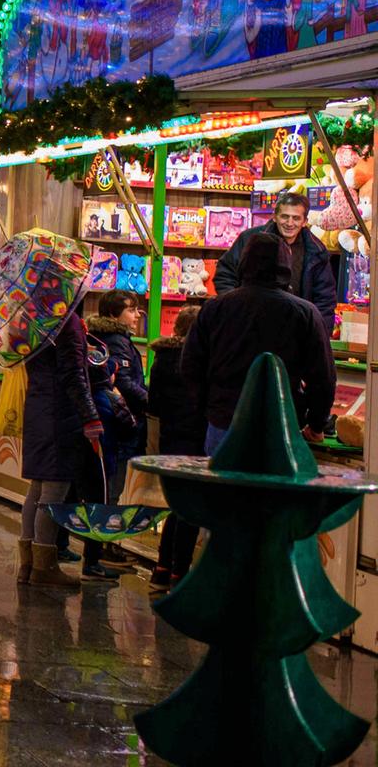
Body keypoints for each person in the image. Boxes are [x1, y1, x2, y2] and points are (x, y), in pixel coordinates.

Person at [183, 231, 336, 455]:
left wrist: (209, 408)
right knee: (272, 490)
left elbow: (190, 365)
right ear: (286, 266)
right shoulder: (305, 312)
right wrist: (316, 424)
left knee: (224, 489)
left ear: (243, 263)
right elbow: (323, 378)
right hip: (281, 424)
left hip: (224, 422)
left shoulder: (216, 308)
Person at [17, 310, 101, 587]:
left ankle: (27, 565)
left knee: (37, 487)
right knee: (54, 490)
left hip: (38, 407)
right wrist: (90, 416)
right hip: (60, 413)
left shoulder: (31, 317)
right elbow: (74, 374)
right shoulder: (66, 322)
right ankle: (44, 566)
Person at [80, 290, 148, 581]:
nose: (137, 316)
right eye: (131, 310)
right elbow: (125, 381)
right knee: (110, 486)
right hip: (118, 421)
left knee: (102, 486)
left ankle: (98, 547)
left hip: (109, 420)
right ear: (113, 314)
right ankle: (100, 549)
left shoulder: (100, 338)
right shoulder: (117, 341)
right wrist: (150, 401)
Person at [147, 304, 205, 592]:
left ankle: (162, 568)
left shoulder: (161, 358)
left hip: (170, 439)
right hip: (195, 439)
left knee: (176, 507)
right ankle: (178, 572)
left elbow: (153, 403)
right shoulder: (199, 360)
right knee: (189, 509)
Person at [212, 191, 337, 324]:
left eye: (296, 218)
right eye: (284, 216)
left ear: (305, 221)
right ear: (274, 217)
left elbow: (325, 298)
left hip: (295, 327)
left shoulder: (316, 250)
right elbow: (225, 274)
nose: (289, 223)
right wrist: (236, 308)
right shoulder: (250, 240)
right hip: (249, 322)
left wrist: (319, 333)